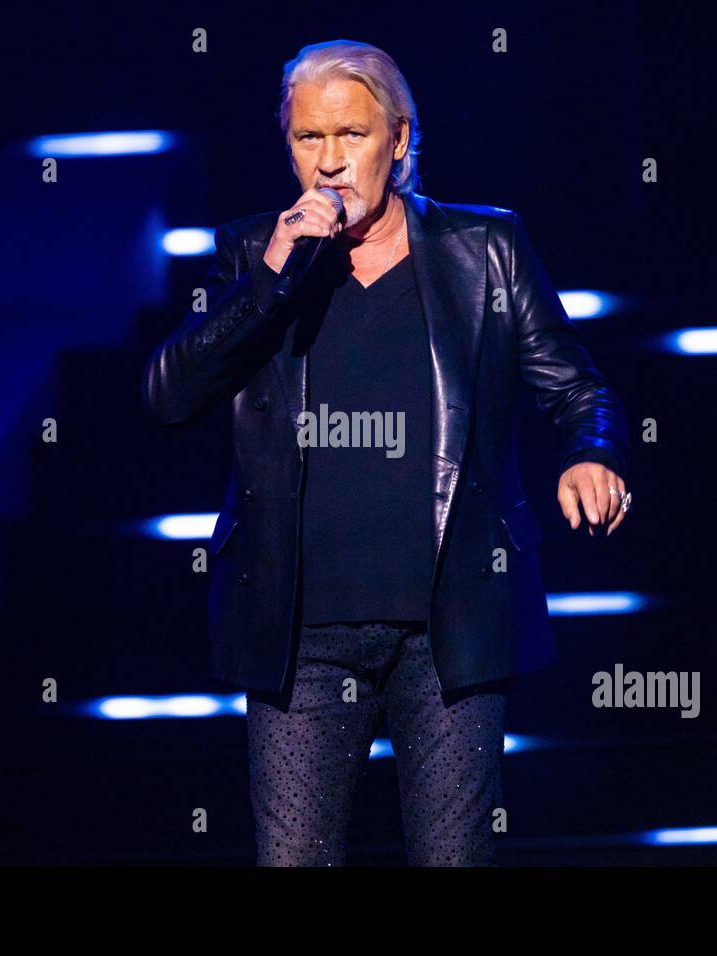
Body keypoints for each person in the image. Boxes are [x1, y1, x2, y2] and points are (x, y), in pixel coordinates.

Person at [143, 39, 632, 866]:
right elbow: (167, 395)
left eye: (352, 136)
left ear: (399, 141)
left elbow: (580, 391)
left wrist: (592, 454)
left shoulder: (485, 250)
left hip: (447, 626)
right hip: (301, 631)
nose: (330, 163)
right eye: (309, 139)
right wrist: (270, 277)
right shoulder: (250, 252)